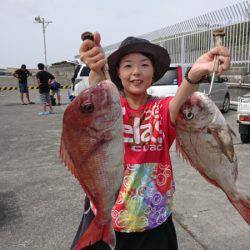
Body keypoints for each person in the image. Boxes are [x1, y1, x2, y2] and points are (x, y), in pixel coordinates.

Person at [73, 32, 230, 250]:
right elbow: (96, 96)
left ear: (154, 71)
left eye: (144, 65)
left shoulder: (163, 108)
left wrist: (195, 74)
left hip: (155, 220)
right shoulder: (110, 109)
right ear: (117, 72)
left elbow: (182, 96)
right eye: (127, 66)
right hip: (108, 219)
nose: (136, 72)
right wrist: (96, 70)